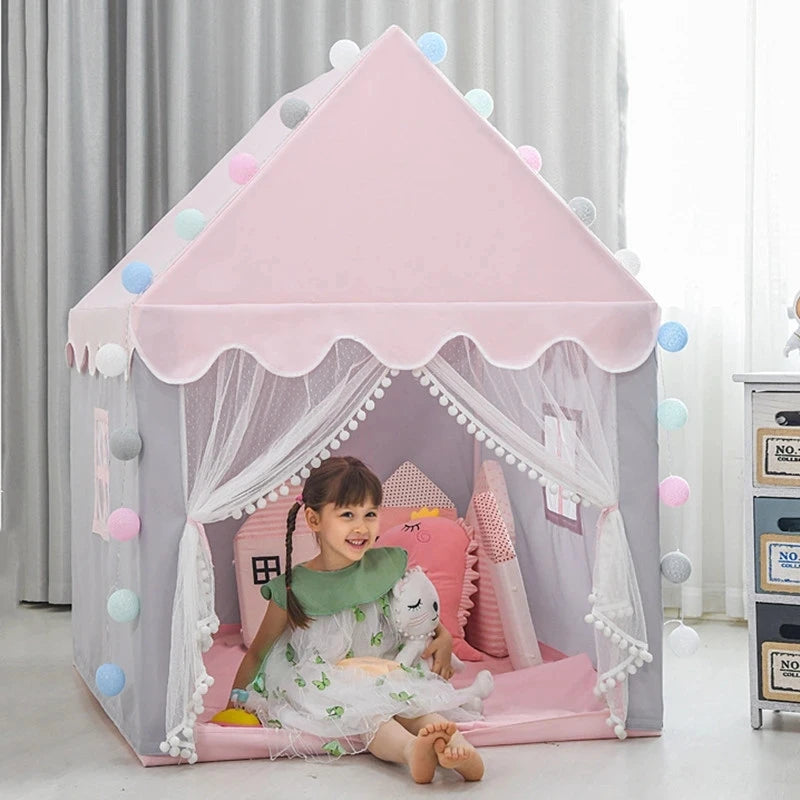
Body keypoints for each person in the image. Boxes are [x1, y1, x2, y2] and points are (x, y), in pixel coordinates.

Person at [228, 455, 485, 783]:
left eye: (370, 514)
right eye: (347, 515)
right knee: (369, 716)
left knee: (416, 705)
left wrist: (443, 636)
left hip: (385, 667)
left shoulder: (384, 565)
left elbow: (415, 607)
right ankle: (411, 750)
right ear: (314, 519)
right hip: (329, 678)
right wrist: (234, 701)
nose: (361, 527)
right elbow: (258, 652)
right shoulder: (293, 587)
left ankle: (459, 748)